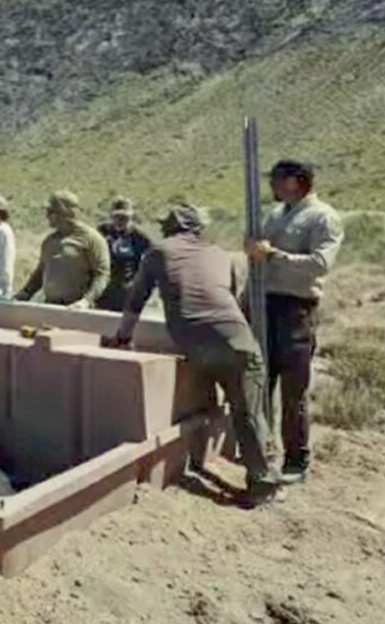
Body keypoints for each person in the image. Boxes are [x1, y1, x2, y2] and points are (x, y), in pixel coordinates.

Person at [108, 203, 282, 506]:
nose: (162, 229)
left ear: (172, 228)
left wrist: (122, 337)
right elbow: (228, 296)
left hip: (192, 344)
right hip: (235, 340)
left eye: (166, 225)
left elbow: (136, 299)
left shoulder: (158, 252)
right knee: (249, 411)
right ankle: (262, 479)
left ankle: (261, 480)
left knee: (228, 407)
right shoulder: (220, 254)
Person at [246, 160, 343, 485]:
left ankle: (297, 460)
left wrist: (275, 255)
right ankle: (264, 450)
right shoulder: (276, 214)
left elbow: (319, 263)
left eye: (277, 180)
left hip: (296, 309)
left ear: (296, 181)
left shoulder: (323, 217)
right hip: (266, 305)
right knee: (262, 382)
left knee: (292, 388)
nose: (272, 185)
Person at [14, 190, 110, 308]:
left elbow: (101, 275)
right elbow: (40, 273)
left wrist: (86, 301)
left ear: (64, 212)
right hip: (51, 305)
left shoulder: (91, 238)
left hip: (77, 309)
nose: (47, 216)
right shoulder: (49, 241)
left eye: (51, 212)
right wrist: (23, 295)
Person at [96, 197, 152, 312]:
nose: (120, 221)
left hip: (127, 290)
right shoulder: (102, 231)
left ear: (131, 217)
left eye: (124, 217)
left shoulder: (140, 237)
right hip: (104, 288)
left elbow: (153, 260)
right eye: (117, 217)